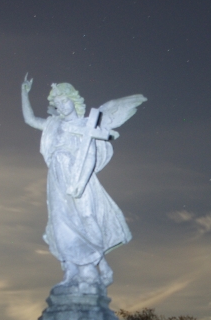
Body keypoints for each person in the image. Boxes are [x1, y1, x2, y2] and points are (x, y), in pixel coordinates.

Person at [21, 75, 145, 289]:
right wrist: (24, 93)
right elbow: (30, 120)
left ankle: (96, 267)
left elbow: (93, 151)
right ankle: (71, 268)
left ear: (73, 100)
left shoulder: (88, 124)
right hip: (57, 176)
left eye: (64, 100)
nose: (61, 105)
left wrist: (80, 180)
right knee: (60, 219)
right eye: (57, 103)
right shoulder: (54, 124)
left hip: (80, 174)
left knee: (87, 217)